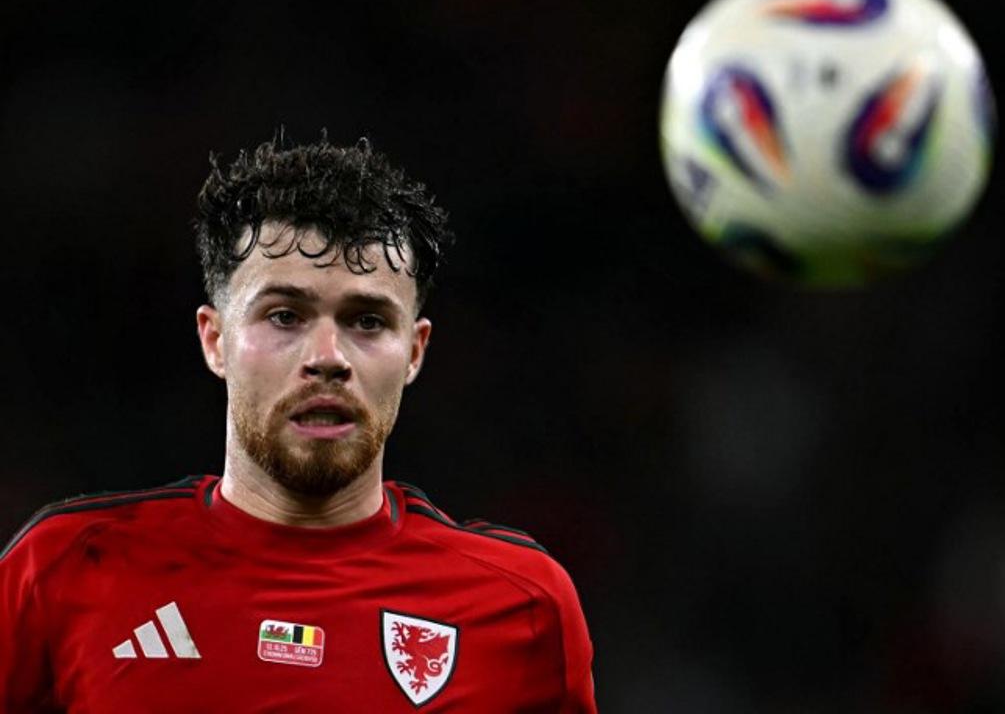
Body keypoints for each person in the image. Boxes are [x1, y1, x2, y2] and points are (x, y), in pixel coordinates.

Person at [0, 136, 596, 712]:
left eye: (367, 320)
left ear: (414, 352)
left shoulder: (522, 608)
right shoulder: (59, 572)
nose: (328, 356)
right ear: (215, 339)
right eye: (285, 315)